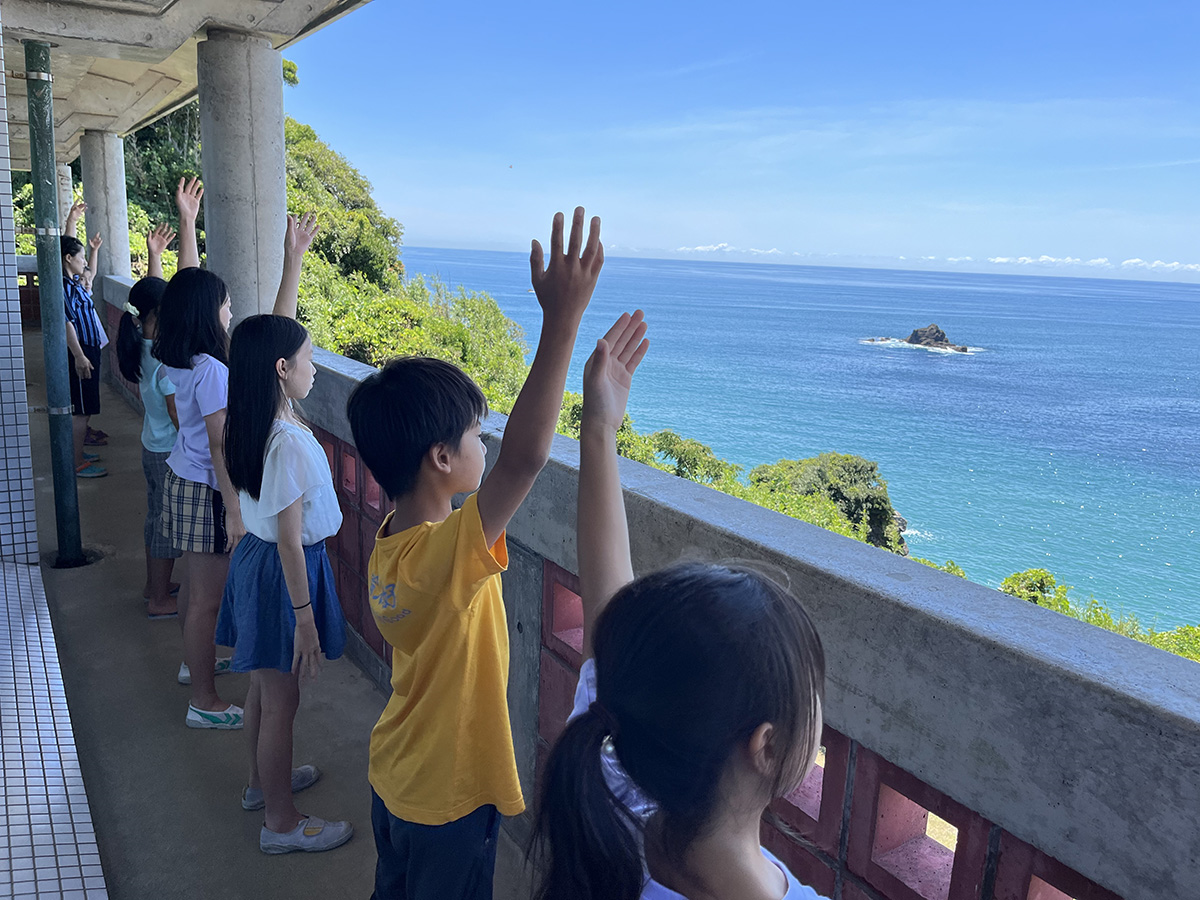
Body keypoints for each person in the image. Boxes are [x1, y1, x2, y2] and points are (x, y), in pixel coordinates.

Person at [346, 208, 604, 900]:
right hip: (447, 797)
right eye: (474, 436)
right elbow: (523, 460)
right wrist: (563, 321)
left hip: (396, 772)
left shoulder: (393, 543)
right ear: (440, 458)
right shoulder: (446, 556)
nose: (484, 446)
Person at [531, 313, 829, 900]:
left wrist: (599, 429)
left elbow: (612, 616)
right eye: (812, 692)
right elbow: (613, 624)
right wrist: (598, 428)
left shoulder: (614, 796)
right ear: (767, 747)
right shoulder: (611, 789)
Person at [214, 213, 353, 854]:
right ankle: (281, 822)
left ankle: (258, 784)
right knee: (282, 701)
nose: (314, 367)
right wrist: (304, 620)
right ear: (281, 369)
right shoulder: (288, 441)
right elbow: (294, 541)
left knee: (262, 690)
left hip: (256, 559)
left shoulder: (252, 417)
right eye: (307, 359)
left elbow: (273, 334)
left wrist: (294, 258)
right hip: (283, 573)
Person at [154, 177, 243, 728]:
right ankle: (205, 703)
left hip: (182, 478)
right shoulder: (211, 370)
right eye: (226, 306)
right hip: (208, 487)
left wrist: (189, 224)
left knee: (194, 590)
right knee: (207, 600)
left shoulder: (178, 356)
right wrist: (234, 508)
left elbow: (187, 290)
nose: (230, 312)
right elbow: (219, 442)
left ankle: (196, 666)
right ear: (211, 313)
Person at [115, 223, 181, 618]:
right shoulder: (165, 360)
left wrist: (155, 256)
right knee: (165, 526)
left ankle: (153, 586)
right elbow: (177, 413)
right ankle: (159, 599)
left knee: (155, 518)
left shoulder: (140, 343)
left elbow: (150, 299)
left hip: (151, 446)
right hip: (169, 452)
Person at [62, 233, 108, 477]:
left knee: (86, 407)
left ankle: (77, 451)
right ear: (68, 258)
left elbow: (92, 273)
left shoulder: (74, 282)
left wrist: (95, 250)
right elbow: (66, 322)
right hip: (80, 351)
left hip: (88, 349)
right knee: (80, 409)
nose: (85, 262)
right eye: (81, 257)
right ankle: (76, 462)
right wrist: (79, 356)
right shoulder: (64, 287)